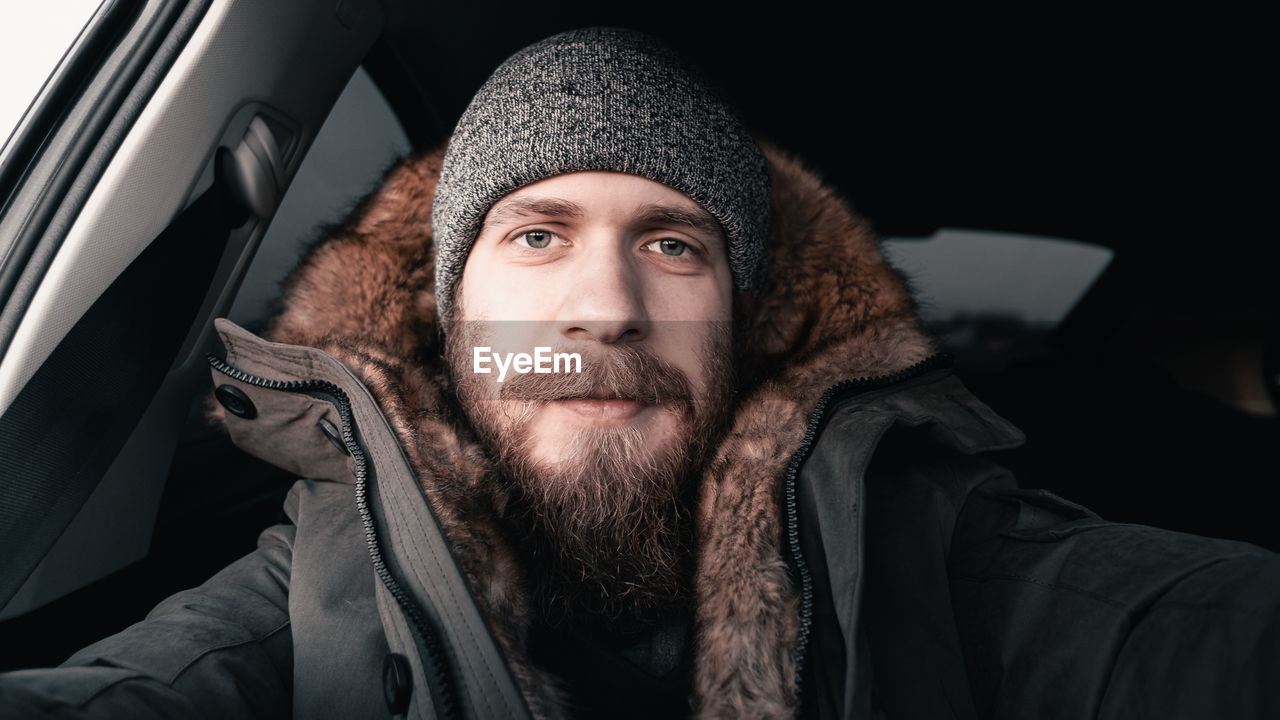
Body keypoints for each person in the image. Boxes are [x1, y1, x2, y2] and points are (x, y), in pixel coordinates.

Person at [1, 26, 1277, 720]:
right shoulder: (323, 562)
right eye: (536, 235)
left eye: (672, 245)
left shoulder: (936, 551)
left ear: (738, 322)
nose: (606, 310)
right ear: (454, 320)